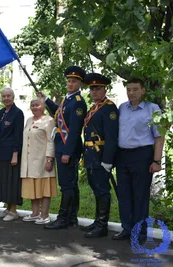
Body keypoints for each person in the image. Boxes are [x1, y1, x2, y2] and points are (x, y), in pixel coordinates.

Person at [113, 78, 164, 241]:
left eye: (135, 89)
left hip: (142, 156)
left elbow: (159, 136)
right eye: (128, 89)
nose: (131, 93)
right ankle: (126, 229)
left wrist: (156, 161)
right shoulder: (122, 108)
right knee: (124, 194)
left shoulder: (152, 108)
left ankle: (139, 232)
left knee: (140, 195)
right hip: (122, 156)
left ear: (143, 90)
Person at [43, 66, 87, 230]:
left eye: (74, 81)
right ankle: (71, 218)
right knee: (71, 184)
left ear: (80, 84)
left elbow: (75, 130)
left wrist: (67, 153)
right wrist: (46, 100)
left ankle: (63, 218)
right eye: (68, 81)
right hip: (63, 146)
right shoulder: (67, 100)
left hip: (68, 148)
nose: (70, 83)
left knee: (67, 185)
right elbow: (58, 114)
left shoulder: (78, 103)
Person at [80, 73, 118, 238]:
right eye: (92, 89)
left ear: (104, 89)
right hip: (91, 156)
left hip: (101, 156)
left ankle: (102, 225)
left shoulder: (109, 108)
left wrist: (108, 161)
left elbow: (111, 137)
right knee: (96, 189)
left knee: (103, 190)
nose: (94, 92)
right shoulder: (94, 108)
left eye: (98, 88)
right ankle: (98, 221)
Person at [20, 98, 57, 224]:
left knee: (44, 188)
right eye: (32, 105)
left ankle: (45, 215)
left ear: (43, 106)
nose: (34, 107)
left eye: (37, 105)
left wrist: (49, 159)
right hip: (29, 161)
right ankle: (35, 213)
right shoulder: (29, 120)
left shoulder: (49, 120)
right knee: (33, 188)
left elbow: (51, 141)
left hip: (42, 160)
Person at [0, 88, 24, 222]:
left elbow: (18, 135)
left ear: (13, 97)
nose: (6, 98)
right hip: (1, 153)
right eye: (4, 96)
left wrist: (15, 154)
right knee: (4, 181)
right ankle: (7, 207)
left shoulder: (17, 113)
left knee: (12, 181)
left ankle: (13, 210)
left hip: (12, 153)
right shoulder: (0, 113)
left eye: (9, 96)